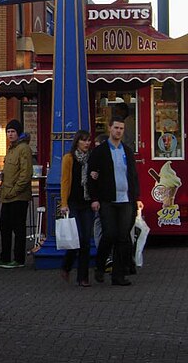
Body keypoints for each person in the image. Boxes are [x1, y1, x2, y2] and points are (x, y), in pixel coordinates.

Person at [88, 115, 142, 286]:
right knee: (109, 234)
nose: (118, 131)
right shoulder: (100, 151)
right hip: (108, 199)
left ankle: (118, 276)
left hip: (126, 199)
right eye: (116, 128)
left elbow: (132, 175)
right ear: (109, 128)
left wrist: (135, 197)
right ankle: (100, 266)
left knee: (122, 237)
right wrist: (95, 198)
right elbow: (92, 176)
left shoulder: (127, 151)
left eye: (121, 128)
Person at [0, 118, 33, 269]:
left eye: (13, 131)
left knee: (18, 227)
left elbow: (25, 174)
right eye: (8, 131)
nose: (10, 134)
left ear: (18, 133)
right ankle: (5, 257)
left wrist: (15, 191)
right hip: (7, 195)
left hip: (18, 196)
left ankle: (19, 259)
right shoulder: (11, 149)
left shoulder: (23, 149)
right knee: (4, 226)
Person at [60, 130, 93, 287]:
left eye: (88, 141)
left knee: (86, 239)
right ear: (77, 142)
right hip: (73, 203)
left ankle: (83, 277)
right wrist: (64, 203)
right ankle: (66, 266)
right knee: (76, 239)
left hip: (87, 203)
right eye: (83, 140)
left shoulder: (91, 159)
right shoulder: (69, 158)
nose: (87, 143)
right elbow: (65, 181)